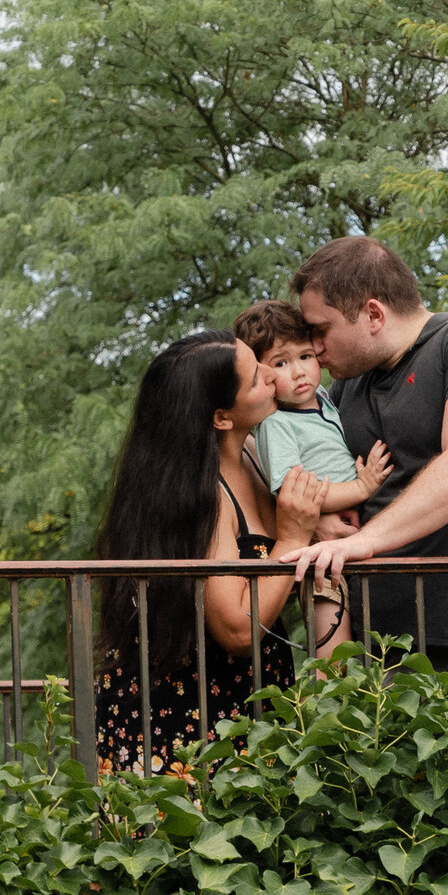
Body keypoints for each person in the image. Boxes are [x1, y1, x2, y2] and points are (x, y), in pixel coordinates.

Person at [278, 236, 448, 669]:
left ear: (374, 314)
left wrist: (363, 542)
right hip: (365, 641)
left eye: (321, 331)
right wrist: (318, 515)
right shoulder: (347, 386)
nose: (314, 350)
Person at [93, 329, 322, 775]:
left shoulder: (257, 456)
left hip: (245, 707)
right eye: (256, 378)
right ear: (221, 417)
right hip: (186, 722)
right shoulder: (202, 496)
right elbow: (237, 629)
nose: (273, 377)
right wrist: (292, 541)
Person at [230, 299, 391, 522]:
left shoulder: (322, 396)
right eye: (280, 364)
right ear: (261, 372)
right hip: (331, 524)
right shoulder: (275, 424)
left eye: (305, 357)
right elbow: (295, 495)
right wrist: (362, 487)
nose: (299, 372)